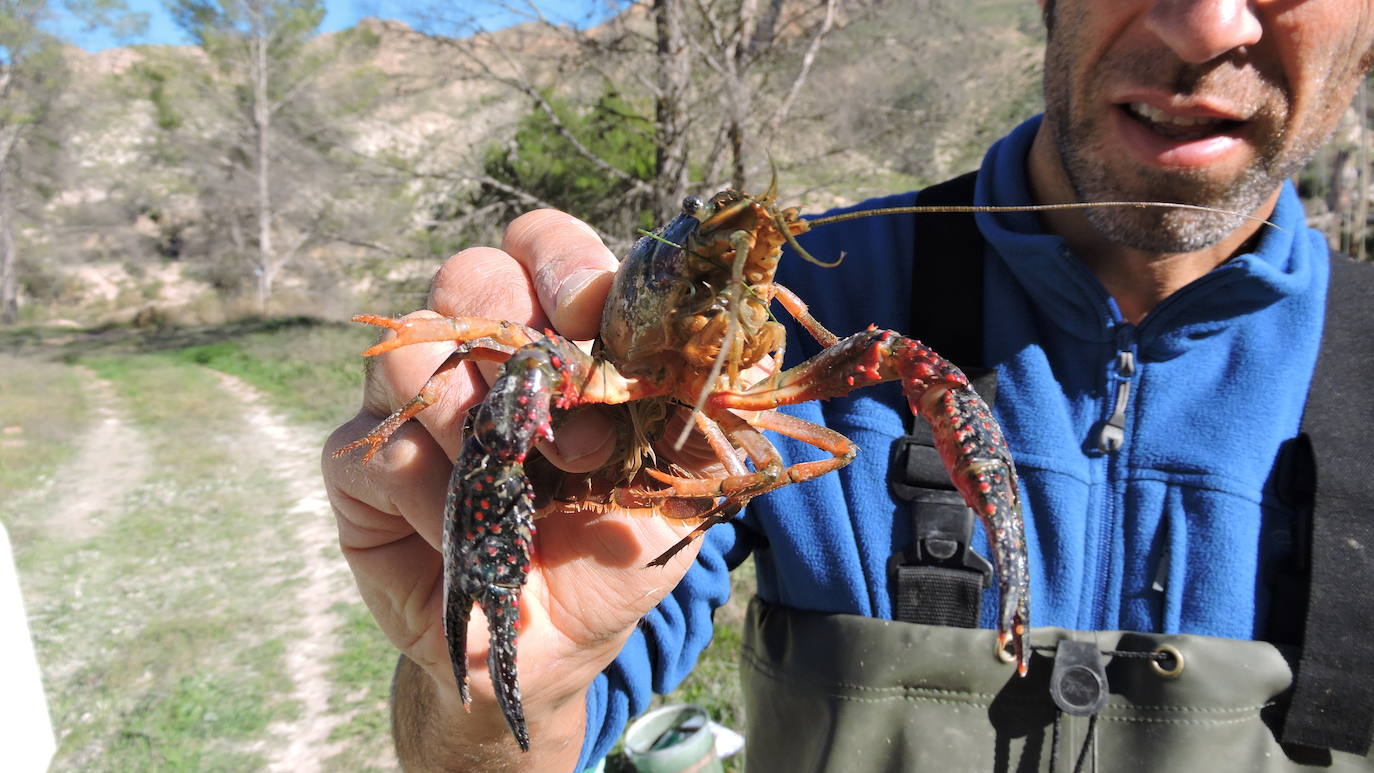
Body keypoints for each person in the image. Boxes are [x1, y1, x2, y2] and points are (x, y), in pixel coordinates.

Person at [322, 0, 1374, 770]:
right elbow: (514, 746)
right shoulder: (853, 287)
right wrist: (486, 693)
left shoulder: (837, 343)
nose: (1203, 23)